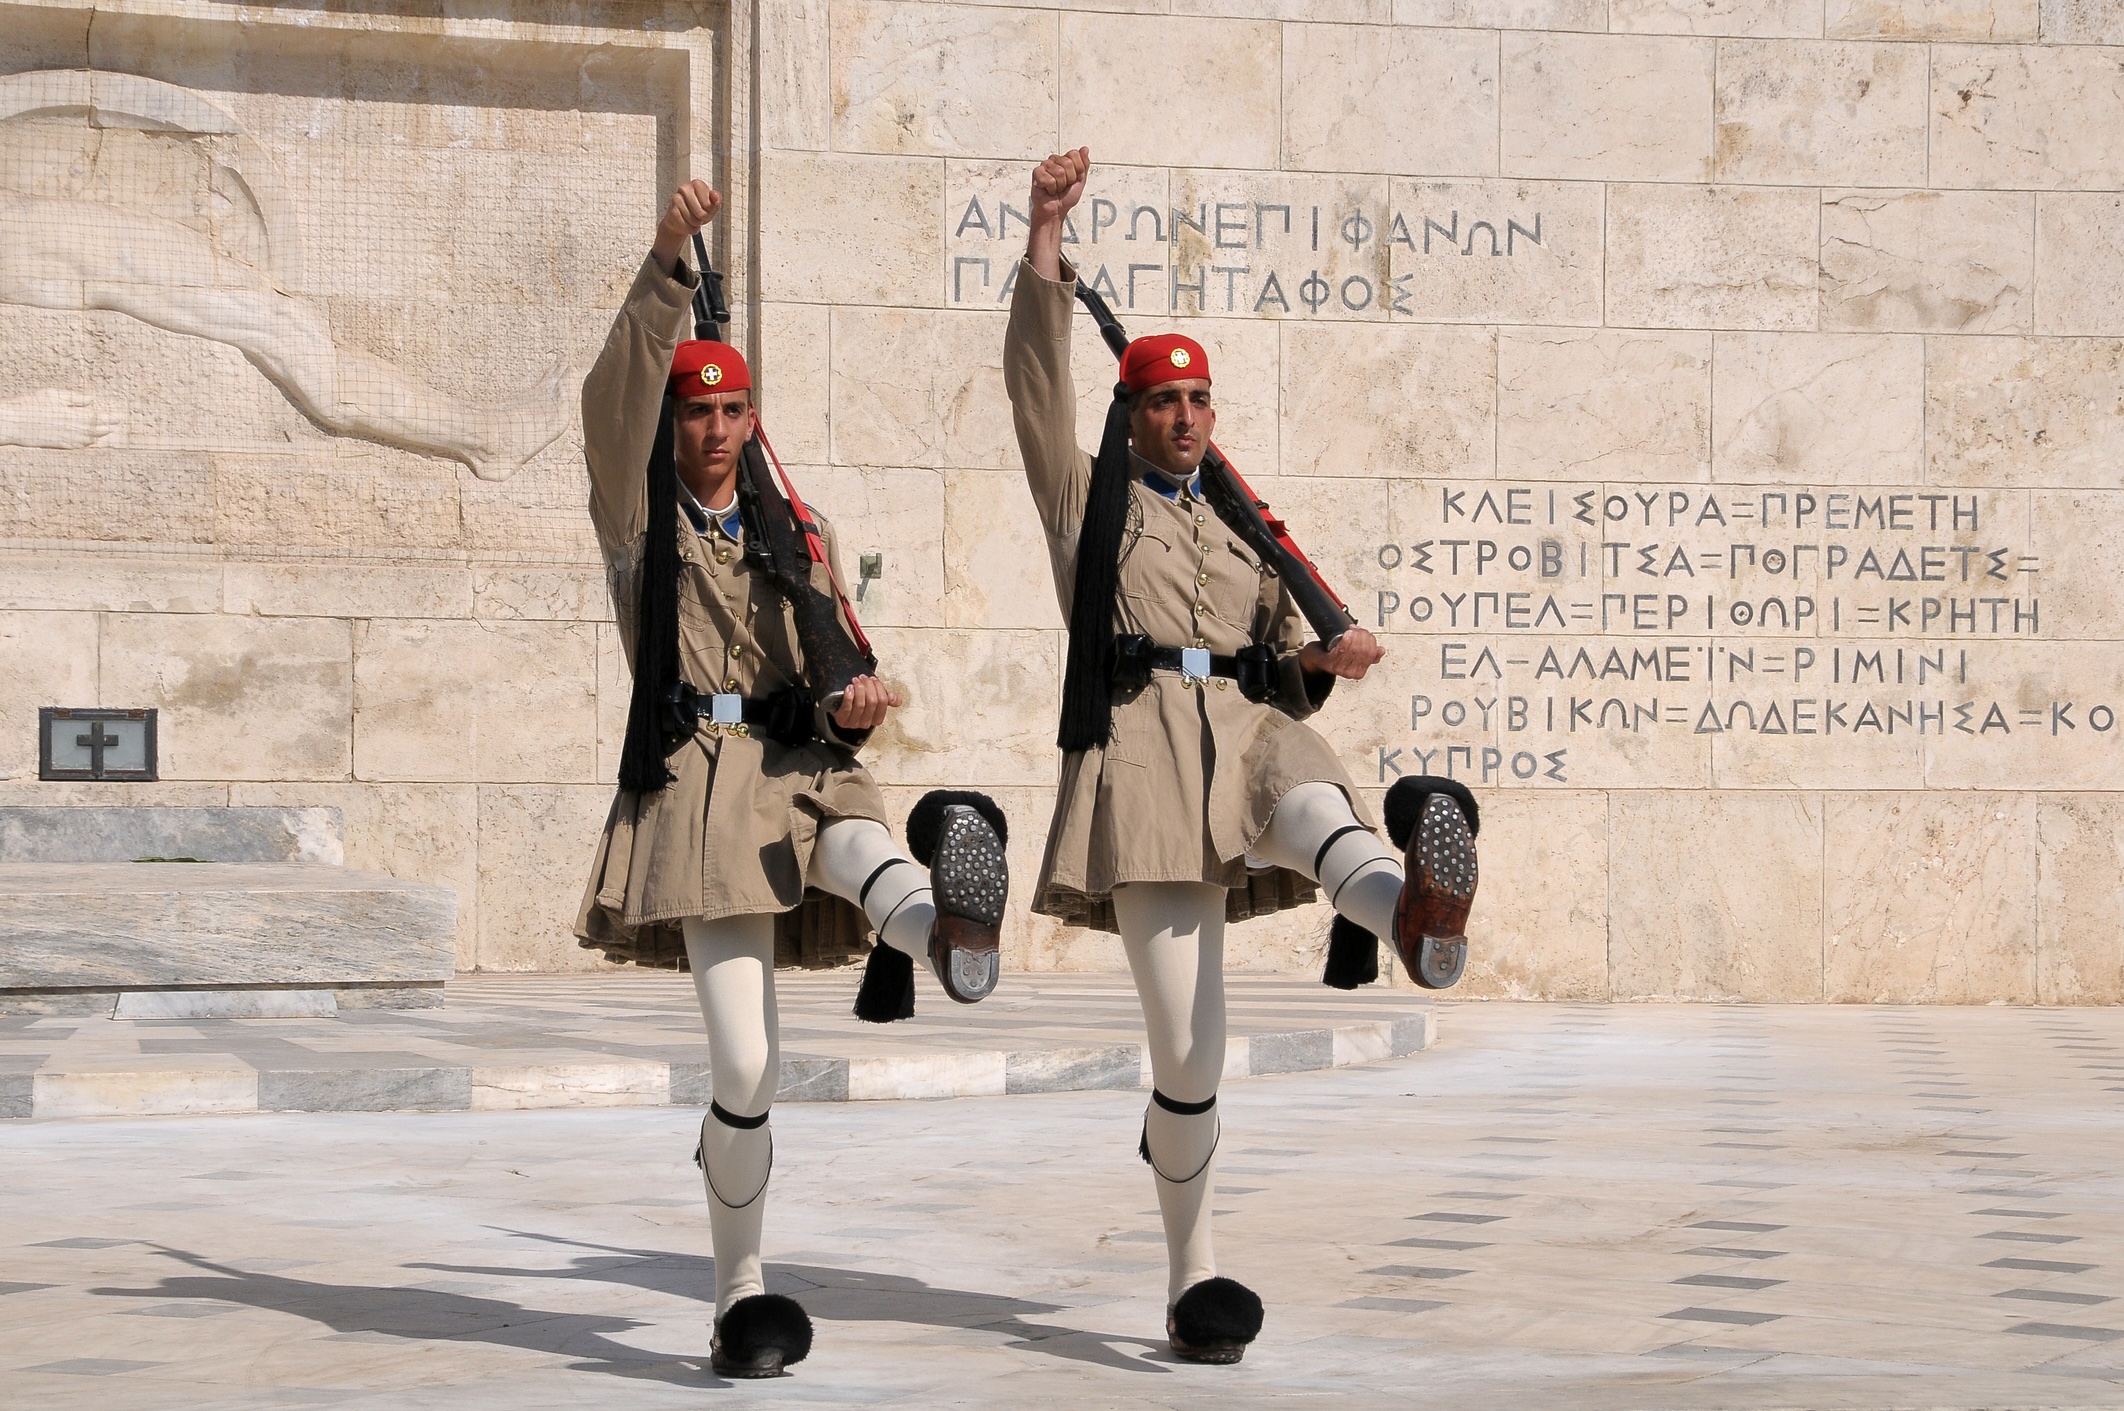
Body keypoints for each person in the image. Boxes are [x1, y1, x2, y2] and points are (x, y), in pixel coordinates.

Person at [1004, 148, 1480, 1364]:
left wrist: (1336, 655)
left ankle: (1416, 915)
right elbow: (1030, 388)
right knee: (1188, 1046)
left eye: (1197, 400)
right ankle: (1192, 1271)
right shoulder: (1088, 505)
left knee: (1324, 807)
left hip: (1251, 735)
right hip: (1148, 755)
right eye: (1161, 400)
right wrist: (1045, 243)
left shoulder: (1241, 528)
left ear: (1215, 414)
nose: (1181, 416)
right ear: (1133, 412)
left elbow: (1285, 660)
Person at [573, 180, 1010, 1378]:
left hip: (802, 765)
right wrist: (668, 260)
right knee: (745, 1065)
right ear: (675, 422)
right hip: (699, 789)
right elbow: (608, 403)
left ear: (753, 418)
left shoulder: (794, 529)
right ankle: (740, 1292)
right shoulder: (636, 522)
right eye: (697, 411)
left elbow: (830, 658)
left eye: (734, 411)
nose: (715, 429)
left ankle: (950, 932)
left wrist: (858, 698)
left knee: (874, 857)